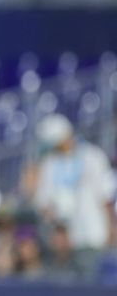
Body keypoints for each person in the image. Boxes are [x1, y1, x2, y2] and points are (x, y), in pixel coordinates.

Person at [32, 114, 116, 280]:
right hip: (63, 244)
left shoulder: (93, 156)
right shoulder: (50, 164)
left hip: (93, 236)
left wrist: (111, 229)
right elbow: (43, 203)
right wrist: (57, 227)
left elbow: (105, 197)